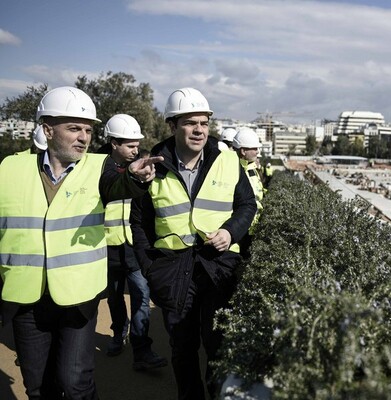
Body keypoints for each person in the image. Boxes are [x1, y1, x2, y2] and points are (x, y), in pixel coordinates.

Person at [0, 86, 163, 400]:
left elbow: (118, 183)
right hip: (26, 300)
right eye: (74, 128)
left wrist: (135, 178)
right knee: (37, 387)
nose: (84, 137)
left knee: (75, 383)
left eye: (88, 130)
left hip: (78, 298)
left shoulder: (98, 166)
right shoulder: (9, 170)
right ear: (47, 130)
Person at [130, 87, 257, 400]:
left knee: (218, 344)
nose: (199, 130)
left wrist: (230, 232)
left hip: (217, 266)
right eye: (190, 123)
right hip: (173, 271)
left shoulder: (227, 161)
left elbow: (247, 205)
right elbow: (139, 223)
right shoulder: (153, 167)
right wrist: (151, 268)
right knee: (182, 347)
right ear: (172, 126)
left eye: (204, 123)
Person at [97, 114, 167, 370]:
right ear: (114, 144)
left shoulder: (142, 169)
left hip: (134, 248)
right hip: (107, 248)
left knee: (141, 295)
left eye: (137, 144)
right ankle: (118, 334)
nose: (136, 150)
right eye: (130, 145)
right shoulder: (95, 168)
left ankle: (142, 349)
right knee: (114, 298)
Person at [232, 127, 265, 258]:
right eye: (254, 148)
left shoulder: (251, 168)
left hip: (253, 226)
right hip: (242, 228)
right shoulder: (234, 169)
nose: (258, 151)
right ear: (243, 151)